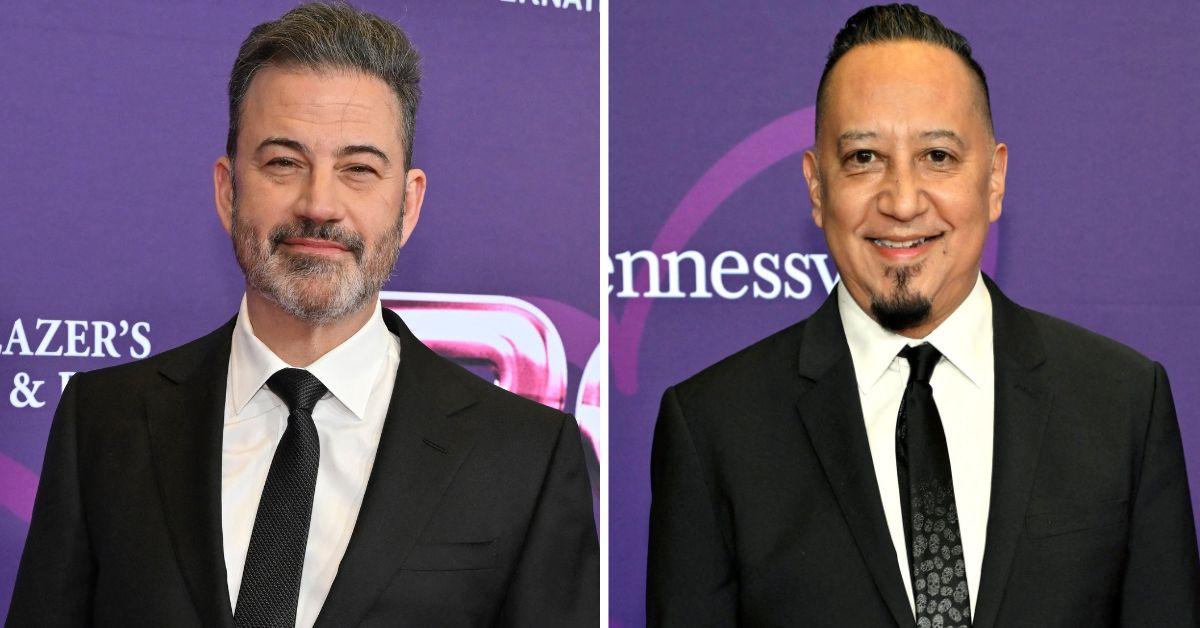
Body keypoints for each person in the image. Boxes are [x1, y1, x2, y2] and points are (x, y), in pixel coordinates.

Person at [7, 3, 598, 627]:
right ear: (228, 190)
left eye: (358, 169)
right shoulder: (104, 422)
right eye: (283, 163)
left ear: (408, 203)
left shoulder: (524, 455)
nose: (319, 204)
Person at [646, 4, 1199, 627]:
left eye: (937, 156)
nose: (903, 201)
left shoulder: (1122, 404)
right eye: (864, 158)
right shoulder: (714, 429)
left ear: (995, 179)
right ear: (817, 187)